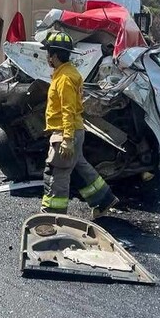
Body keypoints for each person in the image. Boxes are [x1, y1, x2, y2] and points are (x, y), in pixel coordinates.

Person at [40, 31, 119, 218]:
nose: (47, 57)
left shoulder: (64, 78)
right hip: (75, 131)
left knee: (57, 174)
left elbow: (67, 110)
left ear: (55, 56)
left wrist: (66, 139)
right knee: (80, 166)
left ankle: (53, 216)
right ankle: (104, 199)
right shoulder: (67, 73)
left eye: (48, 53)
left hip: (67, 132)